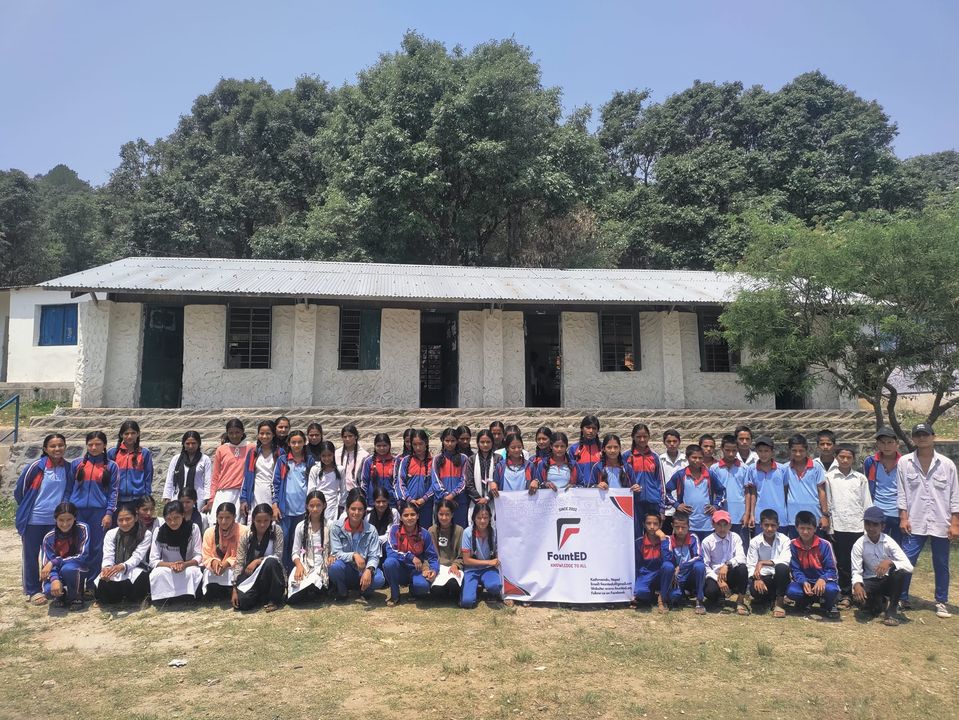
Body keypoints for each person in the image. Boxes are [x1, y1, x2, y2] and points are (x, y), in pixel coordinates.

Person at [897, 423, 959, 618]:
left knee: (941, 563)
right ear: (913, 439)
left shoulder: (947, 464)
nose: (922, 438)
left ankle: (941, 601)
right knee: (906, 560)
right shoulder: (905, 462)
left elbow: (954, 495)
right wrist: (903, 517)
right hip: (915, 521)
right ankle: (902, 597)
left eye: (925, 434)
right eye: (918, 435)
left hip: (941, 521)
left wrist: (955, 523)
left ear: (933, 436)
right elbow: (902, 493)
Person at [15, 433, 73, 605]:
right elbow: (20, 491)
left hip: (56, 522)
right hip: (33, 520)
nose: (57, 449)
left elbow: (69, 491)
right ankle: (33, 590)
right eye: (53, 446)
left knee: (54, 555)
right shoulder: (36, 467)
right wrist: (28, 507)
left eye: (60, 445)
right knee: (31, 555)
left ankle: (52, 586)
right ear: (45, 449)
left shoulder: (68, 468)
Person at [69, 430, 120, 594]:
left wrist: (108, 513)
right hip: (77, 512)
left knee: (97, 548)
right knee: (78, 547)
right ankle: (76, 583)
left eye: (98, 444)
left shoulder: (111, 466)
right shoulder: (77, 464)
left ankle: (91, 584)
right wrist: (68, 510)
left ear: (104, 445)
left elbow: (113, 492)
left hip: (99, 512)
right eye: (90, 444)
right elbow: (69, 488)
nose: (94, 447)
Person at [822, 444, 872, 605]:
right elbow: (828, 503)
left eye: (848, 457)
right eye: (841, 457)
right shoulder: (829, 477)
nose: (844, 460)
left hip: (858, 526)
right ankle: (845, 594)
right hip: (839, 526)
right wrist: (829, 527)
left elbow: (867, 503)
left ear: (853, 459)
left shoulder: (860, 478)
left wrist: (868, 527)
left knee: (859, 561)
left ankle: (861, 591)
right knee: (842, 562)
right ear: (836, 457)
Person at [852, 506, 913, 626]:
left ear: (883, 526)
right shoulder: (859, 544)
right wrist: (857, 585)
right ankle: (879, 602)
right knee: (858, 600)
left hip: (888, 581)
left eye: (875, 525)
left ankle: (892, 611)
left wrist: (890, 562)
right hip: (870, 580)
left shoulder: (889, 542)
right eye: (867, 524)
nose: (871, 528)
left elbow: (909, 567)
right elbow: (856, 570)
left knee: (899, 573)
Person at [328, 488, 387, 601]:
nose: (356, 513)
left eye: (360, 509)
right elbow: (336, 553)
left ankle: (364, 591)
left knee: (379, 579)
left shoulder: (371, 530)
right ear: (347, 509)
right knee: (334, 567)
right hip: (346, 569)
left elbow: (374, 556)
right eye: (353, 509)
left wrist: (369, 570)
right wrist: (354, 555)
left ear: (365, 511)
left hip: (363, 571)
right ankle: (342, 591)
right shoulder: (336, 527)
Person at [272, 430, 315, 572]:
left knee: (299, 541)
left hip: (303, 510)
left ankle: (298, 569)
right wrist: (275, 505)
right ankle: (282, 570)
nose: (296, 445)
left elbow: (313, 483)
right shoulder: (283, 460)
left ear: (304, 443)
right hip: (285, 509)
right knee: (283, 540)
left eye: (300, 442)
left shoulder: (309, 461)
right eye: (293, 442)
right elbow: (275, 484)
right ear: (289, 444)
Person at [384, 500, 439, 606]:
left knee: (423, 587)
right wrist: (411, 557)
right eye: (406, 515)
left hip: (417, 570)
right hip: (400, 570)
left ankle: (413, 591)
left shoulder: (424, 533)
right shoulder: (394, 530)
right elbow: (391, 552)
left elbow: (433, 557)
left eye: (413, 514)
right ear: (401, 517)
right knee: (389, 563)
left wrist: (434, 570)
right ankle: (395, 595)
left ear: (418, 516)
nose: (409, 518)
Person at [664, 444, 725, 541]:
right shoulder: (681, 475)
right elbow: (665, 492)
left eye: (700, 458)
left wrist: (716, 506)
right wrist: (677, 505)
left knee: (706, 551)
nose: (697, 460)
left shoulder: (709, 474)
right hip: (686, 524)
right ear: (687, 458)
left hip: (707, 523)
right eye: (694, 457)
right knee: (689, 550)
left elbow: (722, 492)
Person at [95, 502, 152, 605]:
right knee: (103, 581)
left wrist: (123, 566)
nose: (124, 523)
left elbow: (137, 557)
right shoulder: (111, 533)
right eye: (120, 520)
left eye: (128, 519)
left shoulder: (145, 534)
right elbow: (108, 555)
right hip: (115, 568)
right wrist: (107, 568)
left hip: (136, 567)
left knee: (139, 577)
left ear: (135, 518)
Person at [786, 510, 840, 618]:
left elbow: (832, 570)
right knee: (792, 591)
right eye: (802, 528)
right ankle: (805, 602)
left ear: (815, 529)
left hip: (822, 582)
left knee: (832, 589)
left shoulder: (824, 544)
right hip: (804, 583)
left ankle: (828, 604)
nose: (805, 532)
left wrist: (823, 579)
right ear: (796, 528)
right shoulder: (792, 545)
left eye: (809, 528)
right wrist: (803, 581)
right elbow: (795, 569)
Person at [233, 503, 286, 612]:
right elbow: (239, 562)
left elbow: (278, 556)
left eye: (266, 521)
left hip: (271, 576)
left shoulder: (277, 531)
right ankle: (259, 597)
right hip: (252, 576)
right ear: (253, 520)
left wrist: (258, 561)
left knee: (271, 561)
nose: (262, 524)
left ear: (271, 519)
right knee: (242, 603)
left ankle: (274, 599)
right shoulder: (247, 535)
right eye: (258, 521)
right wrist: (234, 588)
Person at [149, 500, 203, 603]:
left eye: (176, 518)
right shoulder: (159, 531)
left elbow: (198, 555)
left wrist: (185, 564)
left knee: (192, 572)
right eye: (168, 519)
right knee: (157, 574)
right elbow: (153, 560)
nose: (173, 522)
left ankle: (188, 597)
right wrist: (171, 565)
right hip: (167, 567)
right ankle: (165, 598)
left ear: (183, 515)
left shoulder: (193, 528)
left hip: (188, 565)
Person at [39, 502, 90, 610]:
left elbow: (82, 556)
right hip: (57, 572)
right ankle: (62, 594)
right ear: (55, 519)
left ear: (75, 518)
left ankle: (76, 596)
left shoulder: (83, 529)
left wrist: (54, 562)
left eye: (69, 519)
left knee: (69, 569)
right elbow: (46, 564)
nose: (65, 524)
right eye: (61, 520)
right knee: (48, 591)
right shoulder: (49, 537)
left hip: (78, 568)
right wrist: (54, 578)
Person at [288, 490, 331, 605]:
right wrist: (298, 565)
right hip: (305, 564)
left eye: (318, 505)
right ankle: (311, 591)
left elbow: (334, 550)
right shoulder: (301, 526)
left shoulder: (330, 525)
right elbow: (295, 552)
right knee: (293, 595)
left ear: (324, 506)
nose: (315, 509)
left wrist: (331, 557)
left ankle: (316, 590)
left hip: (323, 565)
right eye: (311, 506)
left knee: (316, 581)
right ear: (306, 506)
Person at [702, 510, 748, 615]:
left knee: (743, 568)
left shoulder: (735, 537)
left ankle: (740, 600)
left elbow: (741, 557)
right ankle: (720, 596)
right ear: (713, 524)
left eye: (725, 525)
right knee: (710, 592)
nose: (722, 528)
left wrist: (727, 564)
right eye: (719, 525)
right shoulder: (707, 541)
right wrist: (718, 579)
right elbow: (706, 566)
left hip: (730, 571)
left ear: (730, 525)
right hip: (715, 574)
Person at [659, 512, 705, 614]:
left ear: (689, 526)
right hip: (675, 577)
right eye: (677, 527)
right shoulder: (668, 539)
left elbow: (698, 557)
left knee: (700, 566)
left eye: (683, 527)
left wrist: (681, 566)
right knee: (667, 567)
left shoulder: (693, 538)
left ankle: (699, 600)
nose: (680, 530)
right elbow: (667, 559)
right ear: (672, 526)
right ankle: (664, 598)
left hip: (689, 575)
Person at [710, 434, 752, 546]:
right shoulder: (714, 468)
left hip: (739, 513)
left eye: (734, 450)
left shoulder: (744, 468)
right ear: (722, 449)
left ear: (737, 450)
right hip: (720, 512)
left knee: (742, 545)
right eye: (727, 450)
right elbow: (712, 492)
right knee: (721, 544)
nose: (731, 454)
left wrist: (747, 513)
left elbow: (747, 492)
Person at [747, 509, 791, 618]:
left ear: (778, 525)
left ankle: (779, 603)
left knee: (782, 568)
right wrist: (756, 579)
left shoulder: (785, 539)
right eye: (766, 525)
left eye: (773, 525)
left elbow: (785, 559)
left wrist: (763, 562)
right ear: (761, 525)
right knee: (755, 590)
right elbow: (751, 564)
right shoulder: (755, 542)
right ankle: (771, 599)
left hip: (780, 577)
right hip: (763, 576)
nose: (770, 529)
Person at [460, 503, 505, 608]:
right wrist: (489, 562)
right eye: (479, 517)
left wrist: (493, 562)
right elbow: (466, 560)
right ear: (474, 518)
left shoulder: (494, 532)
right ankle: (474, 589)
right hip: (471, 570)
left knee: (495, 586)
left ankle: (490, 592)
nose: (482, 521)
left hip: (488, 569)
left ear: (490, 518)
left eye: (485, 517)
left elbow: (498, 554)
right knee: (467, 602)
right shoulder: (467, 533)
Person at [782, 434, 827, 537]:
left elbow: (822, 491)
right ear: (789, 450)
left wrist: (824, 515)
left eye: (801, 451)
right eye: (794, 451)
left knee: (815, 549)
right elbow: (784, 491)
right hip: (793, 518)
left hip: (814, 516)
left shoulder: (816, 467)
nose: (798, 454)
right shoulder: (785, 468)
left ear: (807, 450)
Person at [207, 419, 252, 521]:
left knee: (237, 524)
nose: (234, 436)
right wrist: (212, 497)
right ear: (227, 433)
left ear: (243, 432)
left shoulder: (251, 448)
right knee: (218, 522)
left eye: (237, 432)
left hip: (241, 492)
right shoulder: (221, 449)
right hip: (223, 492)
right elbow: (216, 475)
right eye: (231, 433)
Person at [863, 426, 902, 543]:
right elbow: (867, 486)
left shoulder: (905, 462)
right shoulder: (870, 461)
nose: (886, 446)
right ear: (877, 445)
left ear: (897, 444)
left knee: (898, 546)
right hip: (878, 510)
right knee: (877, 544)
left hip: (898, 511)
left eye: (890, 442)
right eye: (883, 443)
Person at [201, 502, 247, 599]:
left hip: (235, 566)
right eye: (220, 518)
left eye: (227, 518)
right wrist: (213, 562)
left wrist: (226, 563)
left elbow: (242, 555)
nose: (223, 522)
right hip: (215, 568)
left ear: (234, 517)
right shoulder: (209, 532)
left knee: (235, 572)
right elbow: (206, 555)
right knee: (208, 573)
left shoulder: (243, 531)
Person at [107, 420, 155, 507]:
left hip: (138, 500)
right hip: (116, 500)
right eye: (126, 433)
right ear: (121, 435)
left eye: (133, 433)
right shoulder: (112, 453)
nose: (130, 436)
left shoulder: (144, 453)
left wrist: (147, 498)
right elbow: (107, 476)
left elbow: (148, 477)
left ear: (138, 434)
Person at [162, 431, 211, 514]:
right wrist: (167, 498)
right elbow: (170, 479)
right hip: (178, 498)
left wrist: (208, 501)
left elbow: (208, 481)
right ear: (183, 444)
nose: (190, 446)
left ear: (199, 443)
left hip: (198, 499)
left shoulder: (205, 459)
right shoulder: (176, 459)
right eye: (187, 443)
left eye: (193, 443)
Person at [239, 420, 279, 522]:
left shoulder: (279, 453)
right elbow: (246, 477)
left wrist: (277, 501)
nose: (264, 436)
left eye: (268, 433)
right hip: (255, 491)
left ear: (273, 434)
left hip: (272, 492)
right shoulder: (253, 453)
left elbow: (280, 479)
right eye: (261, 433)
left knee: (271, 523)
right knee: (255, 521)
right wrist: (243, 499)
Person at [431, 428, 470, 527]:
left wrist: (452, 495)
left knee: (459, 530)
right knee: (442, 532)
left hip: (459, 502)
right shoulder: (437, 459)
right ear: (442, 441)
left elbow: (464, 480)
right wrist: (446, 496)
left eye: (453, 441)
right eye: (447, 441)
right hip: (441, 502)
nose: (450, 444)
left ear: (457, 441)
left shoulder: (463, 458)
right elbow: (435, 480)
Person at [750, 436, 788, 536]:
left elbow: (786, 490)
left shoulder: (782, 469)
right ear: (756, 452)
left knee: (780, 547)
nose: (763, 454)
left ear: (772, 452)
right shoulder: (751, 469)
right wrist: (751, 514)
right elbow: (753, 493)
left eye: (766, 451)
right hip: (760, 516)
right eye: (760, 451)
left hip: (780, 516)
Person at [624, 423, 662, 521]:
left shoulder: (655, 456)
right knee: (636, 533)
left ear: (649, 436)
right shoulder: (626, 456)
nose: (642, 440)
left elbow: (660, 482)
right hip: (634, 500)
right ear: (632, 437)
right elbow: (622, 479)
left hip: (653, 501)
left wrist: (661, 505)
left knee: (652, 532)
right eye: (638, 437)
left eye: (645, 436)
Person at [396, 429, 435, 527]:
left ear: (426, 443)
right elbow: (400, 483)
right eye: (414, 444)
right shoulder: (405, 461)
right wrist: (409, 499)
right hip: (409, 505)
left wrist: (424, 498)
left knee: (425, 533)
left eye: (421, 444)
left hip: (426, 506)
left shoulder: (433, 461)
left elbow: (435, 484)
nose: (418, 447)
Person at [429, 498, 464, 599]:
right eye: (441, 514)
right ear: (437, 514)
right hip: (438, 567)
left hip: (453, 567)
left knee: (454, 585)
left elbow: (462, 555)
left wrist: (455, 565)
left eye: (447, 514)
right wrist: (432, 568)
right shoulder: (432, 530)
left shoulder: (459, 530)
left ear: (452, 515)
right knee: (437, 592)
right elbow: (430, 555)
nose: (444, 517)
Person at [307, 440, 344, 525]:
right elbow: (311, 489)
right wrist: (311, 506)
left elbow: (343, 490)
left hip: (333, 505)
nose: (327, 458)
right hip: (317, 504)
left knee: (330, 527)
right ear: (320, 455)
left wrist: (341, 507)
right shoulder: (315, 469)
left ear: (333, 454)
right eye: (323, 456)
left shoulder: (340, 470)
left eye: (329, 455)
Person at [634, 512, 664, 607]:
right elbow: (637, 564)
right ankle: (653, 595)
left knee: (675, 595)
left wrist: (663, 539)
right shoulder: (639, 542)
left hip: (662, 573)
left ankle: (661, 595)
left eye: (655, 524)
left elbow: (669, 560)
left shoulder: (666, 539)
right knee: (640, 592)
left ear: (660, 525)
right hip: (645, 574)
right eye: (648, 523)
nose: (652, 527)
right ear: (643, 524)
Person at [359, 433, 398, 507]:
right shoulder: (368, 461)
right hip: (372, 502)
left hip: (391, 502)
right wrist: (365, 499)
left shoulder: (395, 461)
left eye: (384, 446)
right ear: (374, 446)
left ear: (389, 446)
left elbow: (397, 483)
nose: (382, 448)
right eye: (379, 446)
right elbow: (364, 483)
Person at [659, 429, 686, 534]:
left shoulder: (686, 460)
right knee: (666, 536)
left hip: (682, 506)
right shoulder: (660, 460)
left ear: (679, 442)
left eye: (675, 441)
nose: (672, 444)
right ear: (664, 442)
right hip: (666, 508)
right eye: (669, 441)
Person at [464, 429, 497, 508]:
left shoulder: (498, 459)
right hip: (476, 502)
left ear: (492, 443)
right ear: (478, 443)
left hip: (494, 500)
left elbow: (498, 481)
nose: (485, 445)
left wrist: (487, 498)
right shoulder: (472, 459)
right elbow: (469, 483)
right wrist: (479, 499)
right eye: (482, 442)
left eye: (488, 442)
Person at [367, 487, 399, 559]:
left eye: (384, 501)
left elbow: (391, 535)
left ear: (388, 501)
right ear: (374, 502)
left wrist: (376, 540)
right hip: (372, 547)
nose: (381, 504)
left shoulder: (393, 513)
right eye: (378, 502)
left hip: (388, 546)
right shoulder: (368, 515)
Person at [568, 415, 602, 484]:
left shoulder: (603, 448)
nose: (591, 431)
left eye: (594, 428)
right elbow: (570, 471)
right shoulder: (573, 449)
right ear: (582, 429)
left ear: (597, 430)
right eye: (588, 428)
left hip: (599, 490)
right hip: (579, 489)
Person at [337, 423, 369, 492]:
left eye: (350, 436)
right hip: (339, 493)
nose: (347, 439)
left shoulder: (364, 455)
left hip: (357, 492)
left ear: (356, 437)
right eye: (345, 437)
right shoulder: (336, 454)